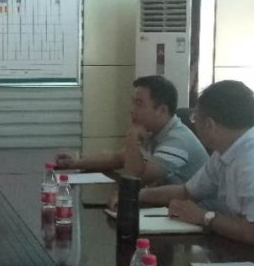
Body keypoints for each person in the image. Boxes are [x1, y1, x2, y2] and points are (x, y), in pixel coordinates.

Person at [139, 80, 254, 244]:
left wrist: (205, 217)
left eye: (194, 118)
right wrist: (135, 196)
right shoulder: (224, 151)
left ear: (209, 124)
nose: (194, 125)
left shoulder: (249, 160)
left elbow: (251, 231)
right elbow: (186, 192)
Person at [56, 75, 208, 186]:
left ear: (161, 110)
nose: (132, 110)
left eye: (139, 104)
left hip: (194, 215)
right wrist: (76, 162)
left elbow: (135, 179)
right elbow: (115, 158)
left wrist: (132, 138)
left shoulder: (178, 140)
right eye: (133, 102)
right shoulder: (153, 131)